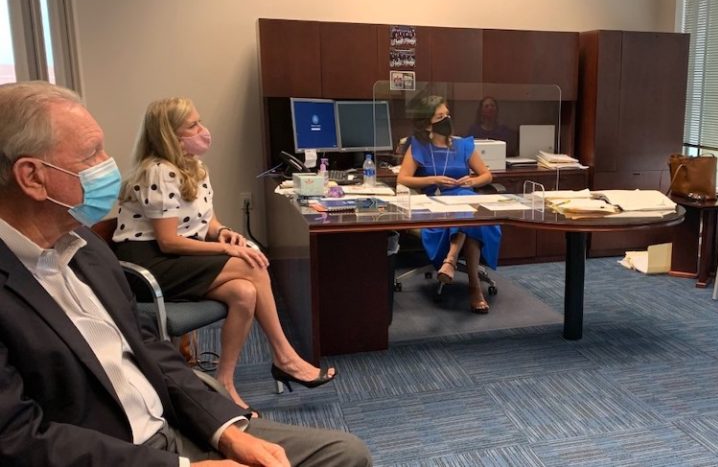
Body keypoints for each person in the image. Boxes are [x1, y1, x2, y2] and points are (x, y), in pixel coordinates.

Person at [0, 81, 371, 465]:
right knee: (249, 266)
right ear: (32, 177)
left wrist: (224, 430)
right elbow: (18, 441)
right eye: (92, 153)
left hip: (173, 425)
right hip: (123, 453)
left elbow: (150, 348)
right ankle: (285, 357)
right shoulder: (151, 179)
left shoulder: (87, 249)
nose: (108, 163)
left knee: (346, 454)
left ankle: (247, 375)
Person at [112, 97, 336, 413]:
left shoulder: (195, 167)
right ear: (170, 134)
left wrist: (224, 233)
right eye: (192, 125)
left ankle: (225, 383)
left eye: (199, 121)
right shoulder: (158, 171)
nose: (202, 130)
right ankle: (285, 357)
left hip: (179, 258)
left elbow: (207, 223)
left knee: (244, 292)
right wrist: (226, 248)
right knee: (251, 263)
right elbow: (169, 242)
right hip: (148, 264)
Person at [397, 94, 501, 314]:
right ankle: (474, 287)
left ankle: (451, 261)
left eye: (447, 114)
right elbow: (403, 178)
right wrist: (433, 180)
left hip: (465, 197)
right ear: (427, 123)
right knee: (470, 219)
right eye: (440, 117)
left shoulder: (463, 145)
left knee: (467, 210)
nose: (446, 119)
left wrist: (471, 181)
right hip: (435, 203)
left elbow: (486, 175)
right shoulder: (418, 146)